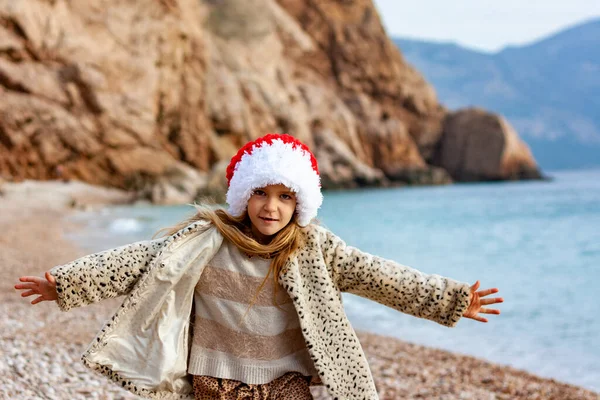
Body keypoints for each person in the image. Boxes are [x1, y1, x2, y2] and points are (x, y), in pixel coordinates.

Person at [15, 133, 503, 400]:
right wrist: (67, 283)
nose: (271, 206)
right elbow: (136, 261)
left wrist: (449, 299)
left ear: (300, 204)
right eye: (261, 193)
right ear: (242, 197)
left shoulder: (315, 250)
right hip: (213, 383)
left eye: (285, 197)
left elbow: (378, 275)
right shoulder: (204, 241)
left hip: (286, 384)